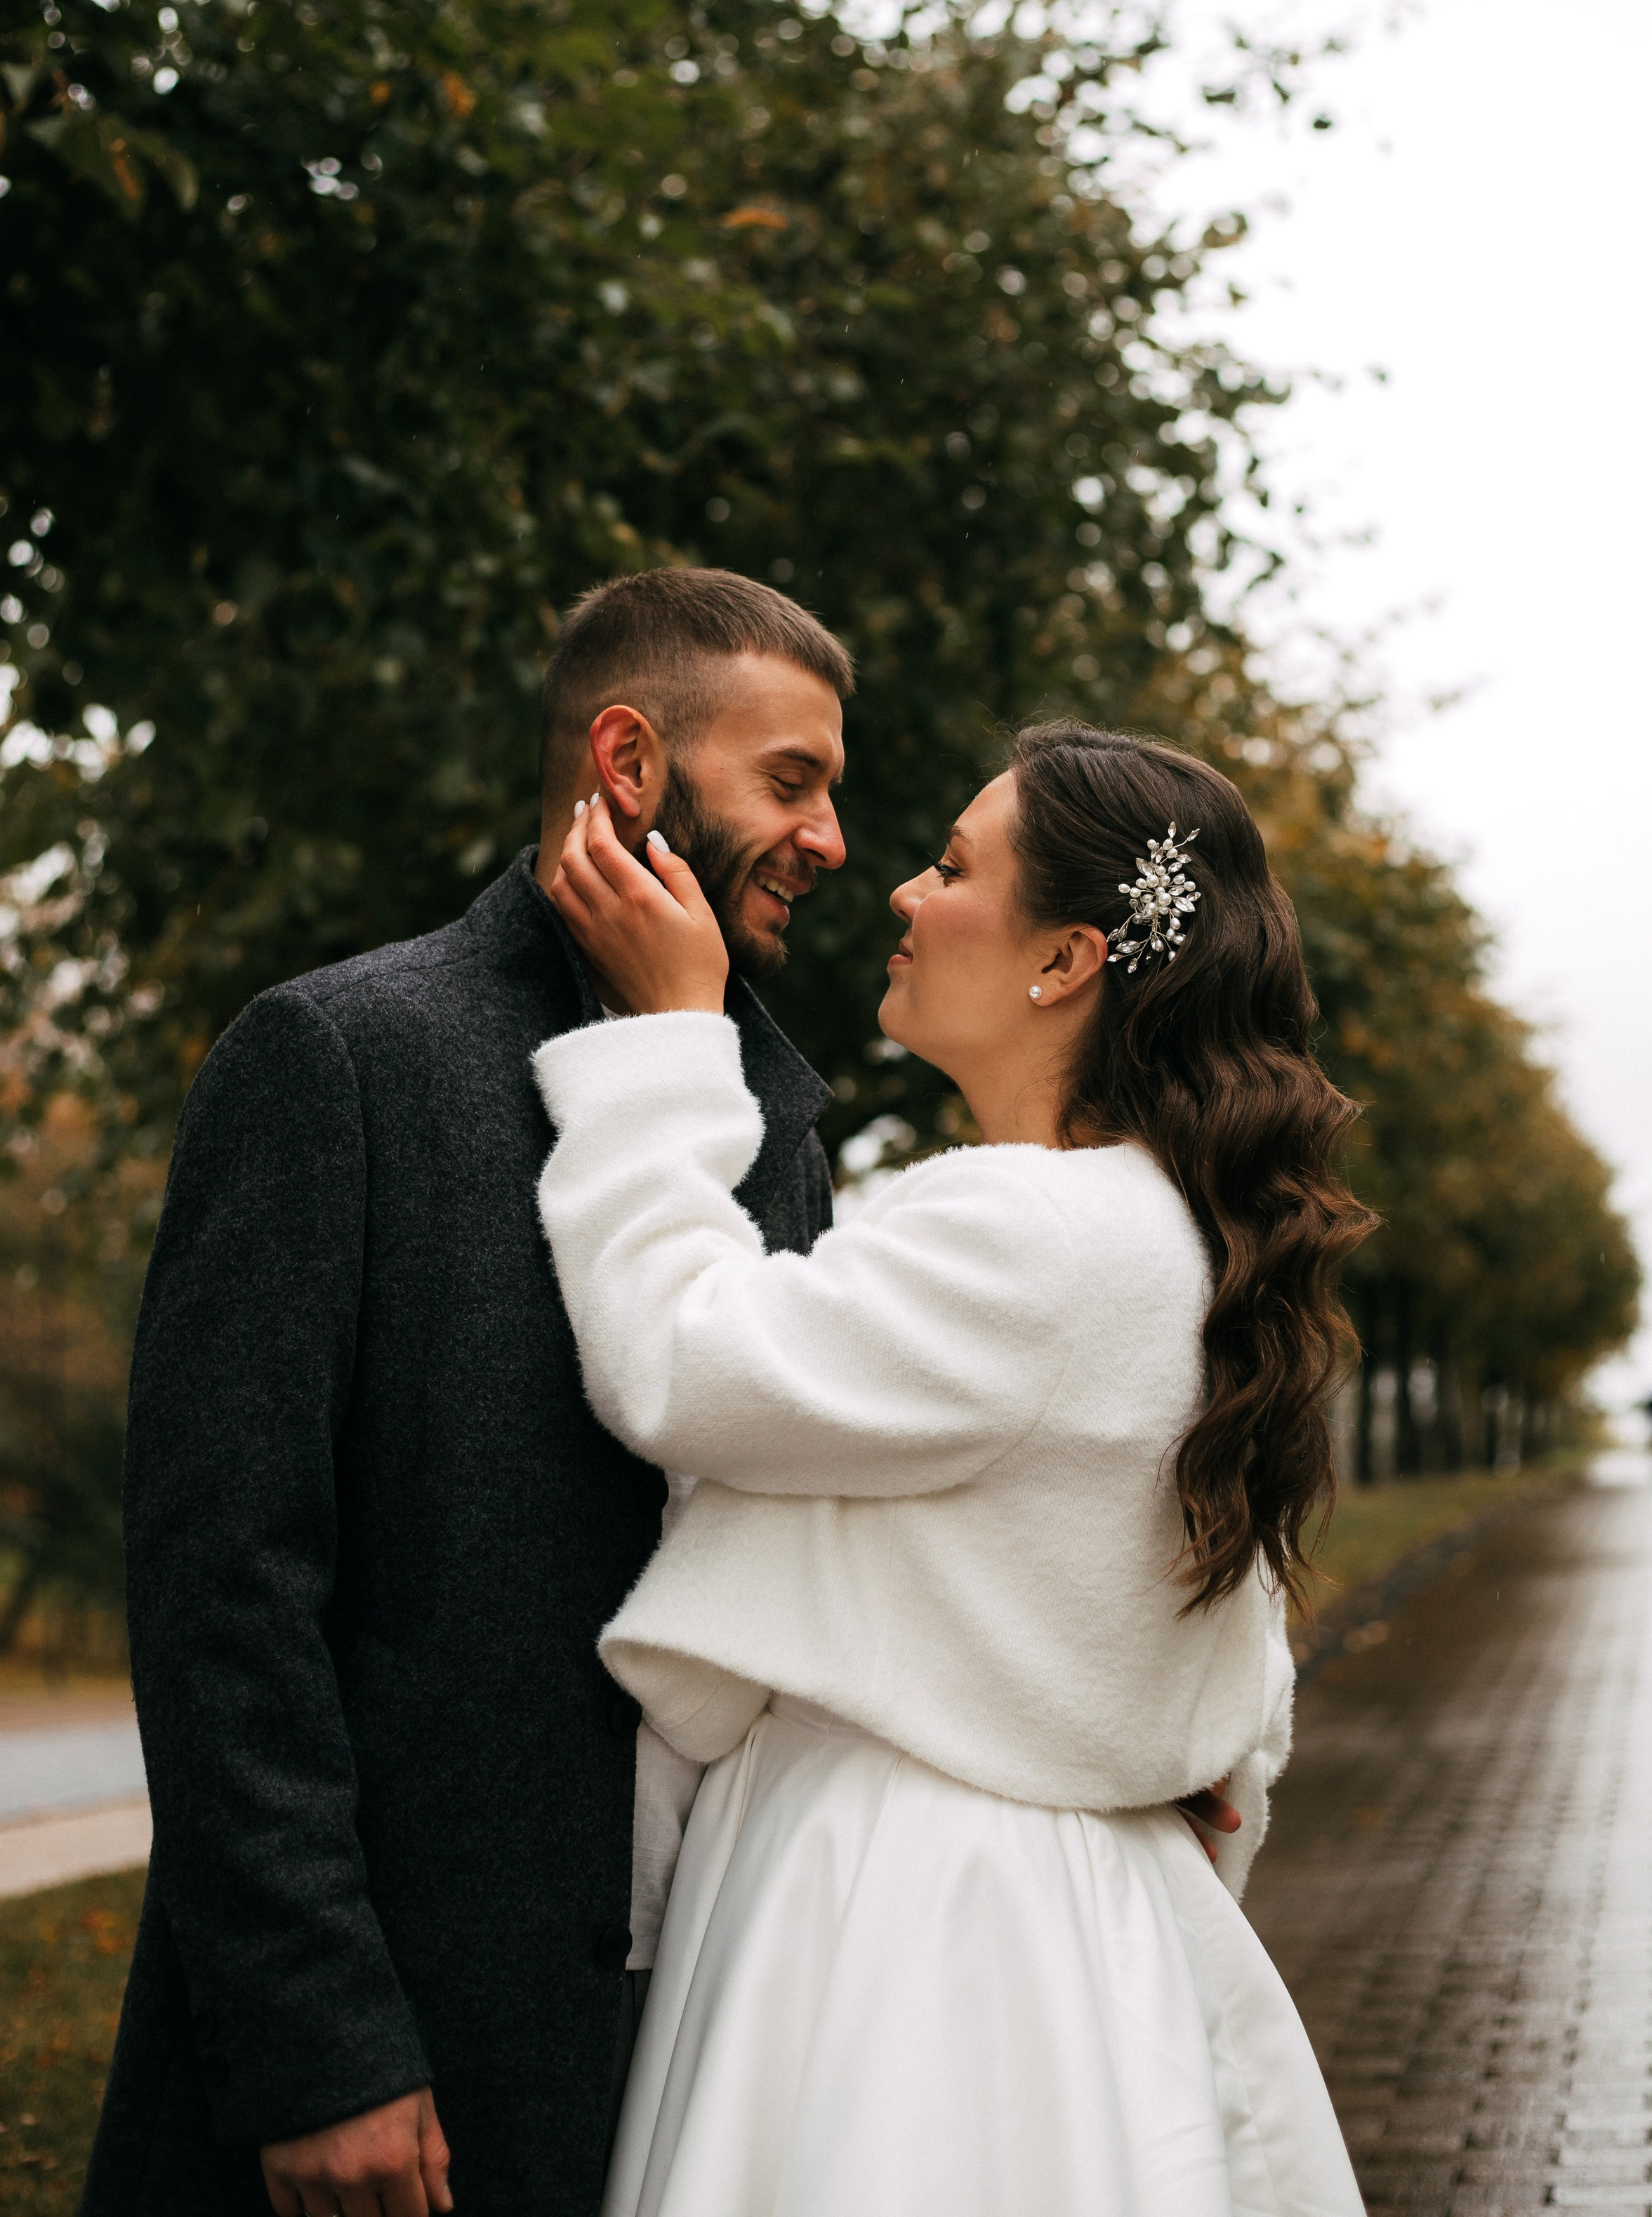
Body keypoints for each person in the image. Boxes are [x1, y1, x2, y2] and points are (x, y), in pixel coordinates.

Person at [82, 569, 859, 2217]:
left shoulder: (776, 1130)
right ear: (630, 763)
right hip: (395, 2048)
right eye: (791, 782)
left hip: (692, 2032)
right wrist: (319, 2047)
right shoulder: (337, 1060)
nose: (830, 840)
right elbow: (224, 1596)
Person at [535, 717, 1374, 2217]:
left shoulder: (1030, 1234)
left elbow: (676, 1359)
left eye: (950, 865)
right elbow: (1231, 1687)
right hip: (1078, 1912)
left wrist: (669, 1037)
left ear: (1062, 961)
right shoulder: (1181, 1235)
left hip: (905, 1911)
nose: (903, 893)